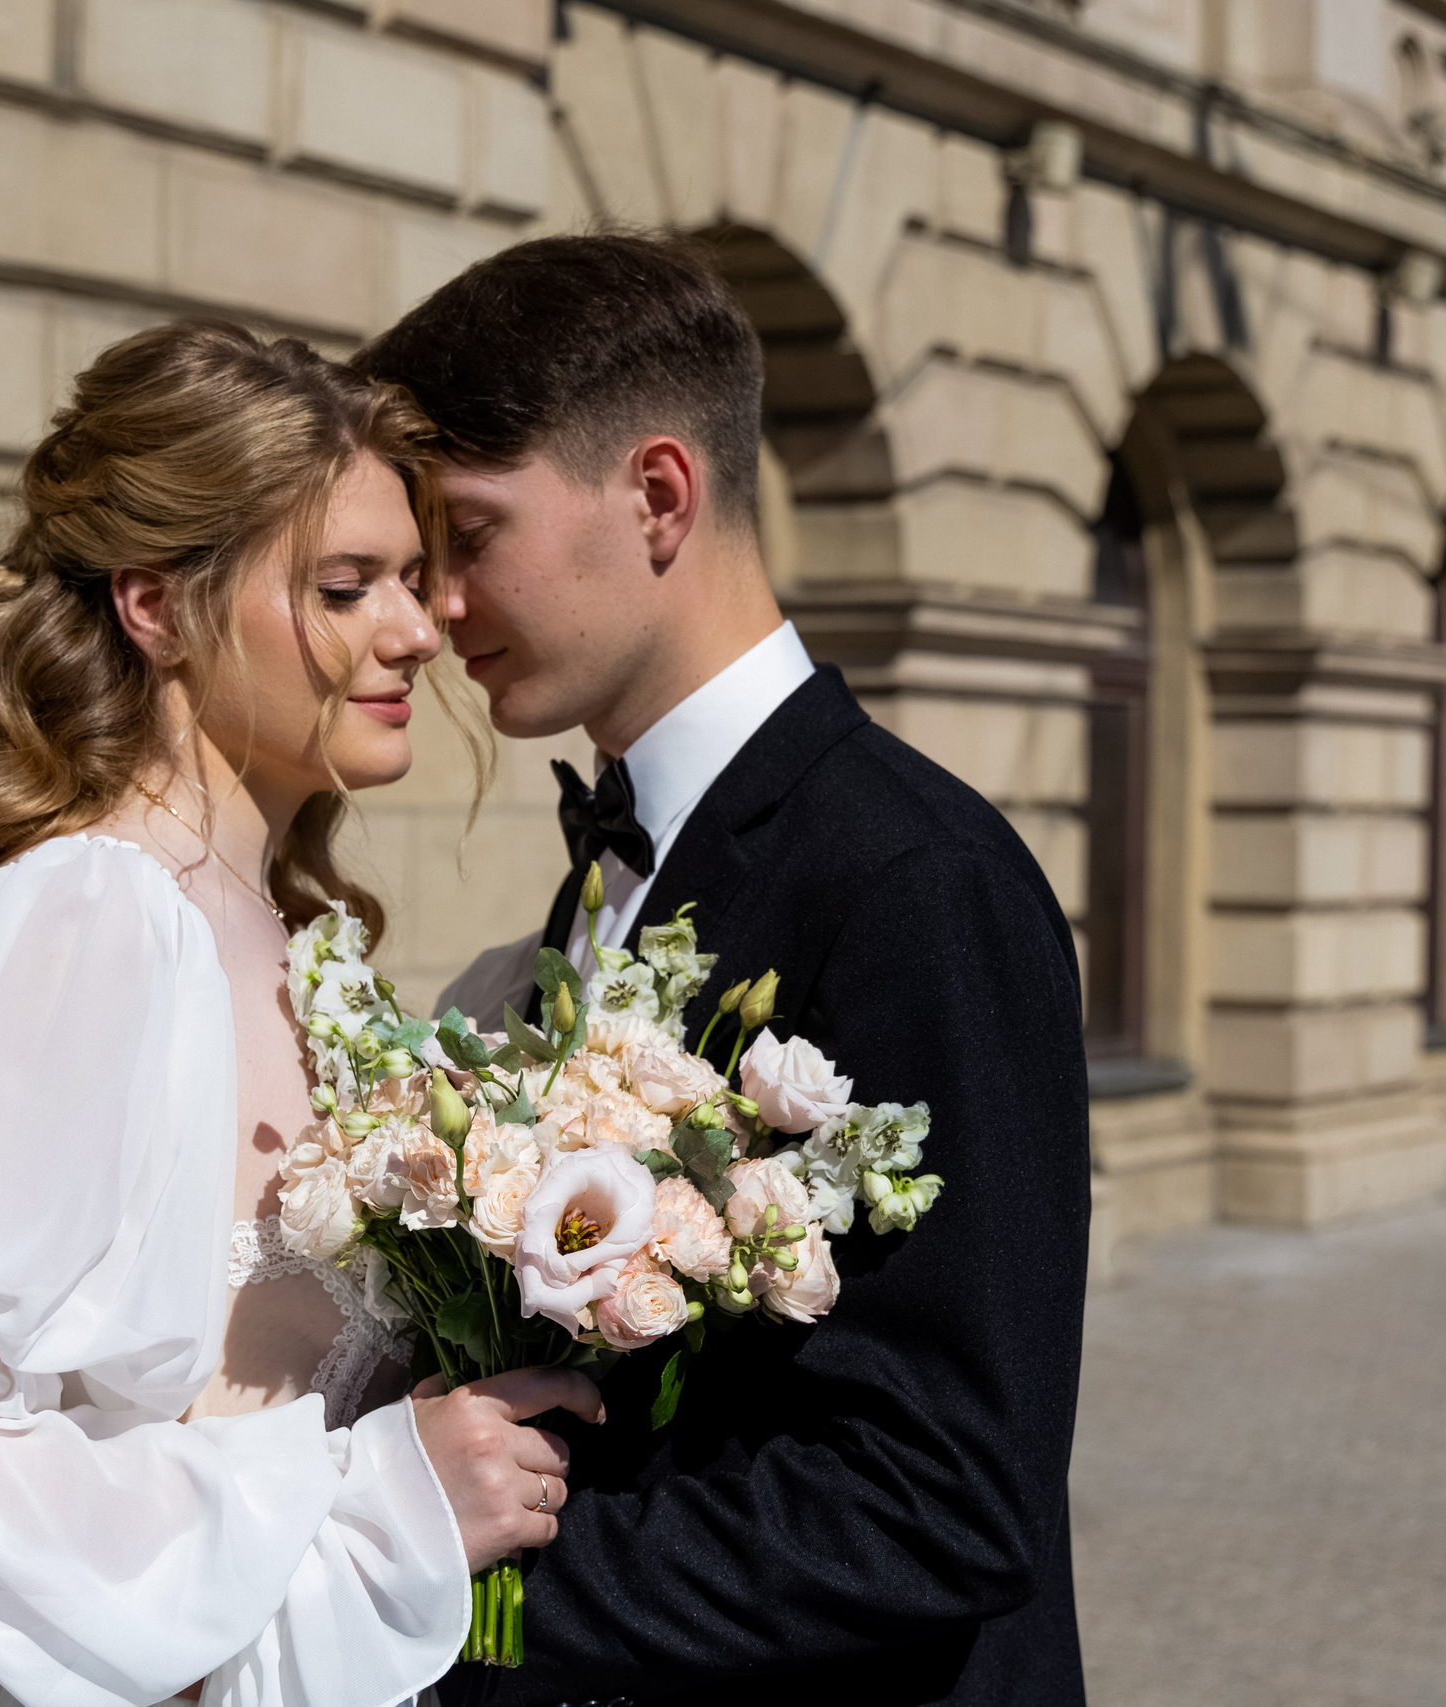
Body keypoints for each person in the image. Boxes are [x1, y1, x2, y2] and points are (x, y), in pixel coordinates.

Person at [0, 322, 599, 1707]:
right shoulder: (88, 919)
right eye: (348, 586)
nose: (418, 633)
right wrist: (377, 1488)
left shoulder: (302, 941)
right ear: (156, 606)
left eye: (413, 582)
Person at [358, 234, 1092, 1706]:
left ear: (658, 496)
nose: (432, 606)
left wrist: (447, 1585)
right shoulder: (615, 860)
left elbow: (940, 1499)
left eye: (471, 533)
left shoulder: (918, 883)